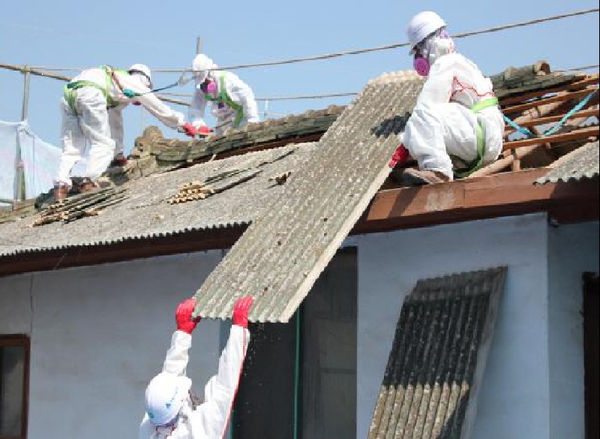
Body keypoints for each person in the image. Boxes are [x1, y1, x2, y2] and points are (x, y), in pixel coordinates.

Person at [391, 11, 505, 185]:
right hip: (487, 140)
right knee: (431, 126)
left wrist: (404, 143)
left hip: (478, 137)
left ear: (426, 45)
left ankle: (438, 171)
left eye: (418, 51)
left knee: (423, 115)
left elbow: (428, 105)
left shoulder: (445, 63)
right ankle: (446, 167)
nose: (418, 58)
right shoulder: (462, 62)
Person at [54, 64, 198, 200]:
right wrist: (181, 124)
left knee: (72, 147)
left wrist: (118, 155)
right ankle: (89, 181)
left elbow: (115, 123)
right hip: (90, 93)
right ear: (144, 81)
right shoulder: (132, 81)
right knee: (103, 144)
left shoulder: (113, 85)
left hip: (68, 96)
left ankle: (61, 185)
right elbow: (155, 105)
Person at [139, 296, 254, 438]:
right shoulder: (199, 432)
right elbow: (225, 386)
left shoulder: (151, 425)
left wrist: (182, 334)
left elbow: (169, 378)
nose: (191, 394)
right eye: (186, 394)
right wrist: (238, 330)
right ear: (181, 408)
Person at [188, 54, 260, 137]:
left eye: (206, 81)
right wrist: (199, 125)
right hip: (222, 124)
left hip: (240, 120)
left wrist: (253, 121)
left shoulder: (228, 80)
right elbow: (195, 108)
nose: (204, 85)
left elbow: (247, 98)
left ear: (211, 73)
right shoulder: (201, 87)